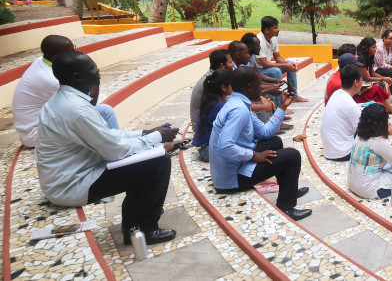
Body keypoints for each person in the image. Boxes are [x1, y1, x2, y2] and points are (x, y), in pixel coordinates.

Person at [36, 51, 179, 245]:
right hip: (71, 184)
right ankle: (143, 229)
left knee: (146, 157)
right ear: (77, 77)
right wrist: (157, 138)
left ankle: (136, 220)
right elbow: (114, 149)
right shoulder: (76, 110)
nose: (98, 71)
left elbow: (109, 136)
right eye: (92, 68)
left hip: (71, 175)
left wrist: (146, 133)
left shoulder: (67, 101)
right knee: (157, 163)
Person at [209, 67, 311, 220]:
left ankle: (290, 189)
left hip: (233, 167)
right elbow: (224, 146)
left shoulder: (238, 102)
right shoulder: (239, 110)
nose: (262, 88)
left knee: (275, 141)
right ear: (249, 87)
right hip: (232, 179)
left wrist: (282, 107)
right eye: (259, 84)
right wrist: (253, 155)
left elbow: (265, 133)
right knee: (293, 155)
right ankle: (286, 208)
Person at [12, 35, 119, 147]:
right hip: (35, 133)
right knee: (92, 118)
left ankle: (116, 142)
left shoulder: (43, 61)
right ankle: (115, 148)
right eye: (71, 52)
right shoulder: (51, 80)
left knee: (105, 111)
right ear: (56, 57)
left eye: (74, 49)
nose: (74, 54)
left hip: (47, 123)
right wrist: (95, 77)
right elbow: (88, 104)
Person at [347, 103, 392, 200]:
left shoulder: (360, 134)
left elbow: (387, 149)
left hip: (353, 183)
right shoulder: (379, 141)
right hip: (369, 189)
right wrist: (387, 134)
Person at [255, 16, 309, 102]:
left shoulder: (273, 38)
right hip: (259, 70)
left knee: (290, 64)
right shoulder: (259, 41)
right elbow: (264, 64)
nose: (278, 30)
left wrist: (288, 64)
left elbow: (277, 57)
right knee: (276, 71)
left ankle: (293, 96)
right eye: (275, 28)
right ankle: (280, 103)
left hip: (267, 68)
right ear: (267, 30)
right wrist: (285, 65)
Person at [321, 65, 364, 161]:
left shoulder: (337, 93)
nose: (362, 83)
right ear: (356, 83)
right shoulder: (350, 104)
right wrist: (385, 130)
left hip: (330, 151)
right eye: (361, 80)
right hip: (343, 152)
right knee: (373, 136)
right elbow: (363, 131)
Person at [192, 69, 232, 162]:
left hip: (207, 148)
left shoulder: (213, 101)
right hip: (208, 150)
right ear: (224, 87)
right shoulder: (219, 106)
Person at [190, 49, 234, 134]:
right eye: (230, 62)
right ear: (222, 66)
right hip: (205, 131)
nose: (233, 65)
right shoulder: (214, 81)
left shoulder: (215, 77)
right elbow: (231, 104)